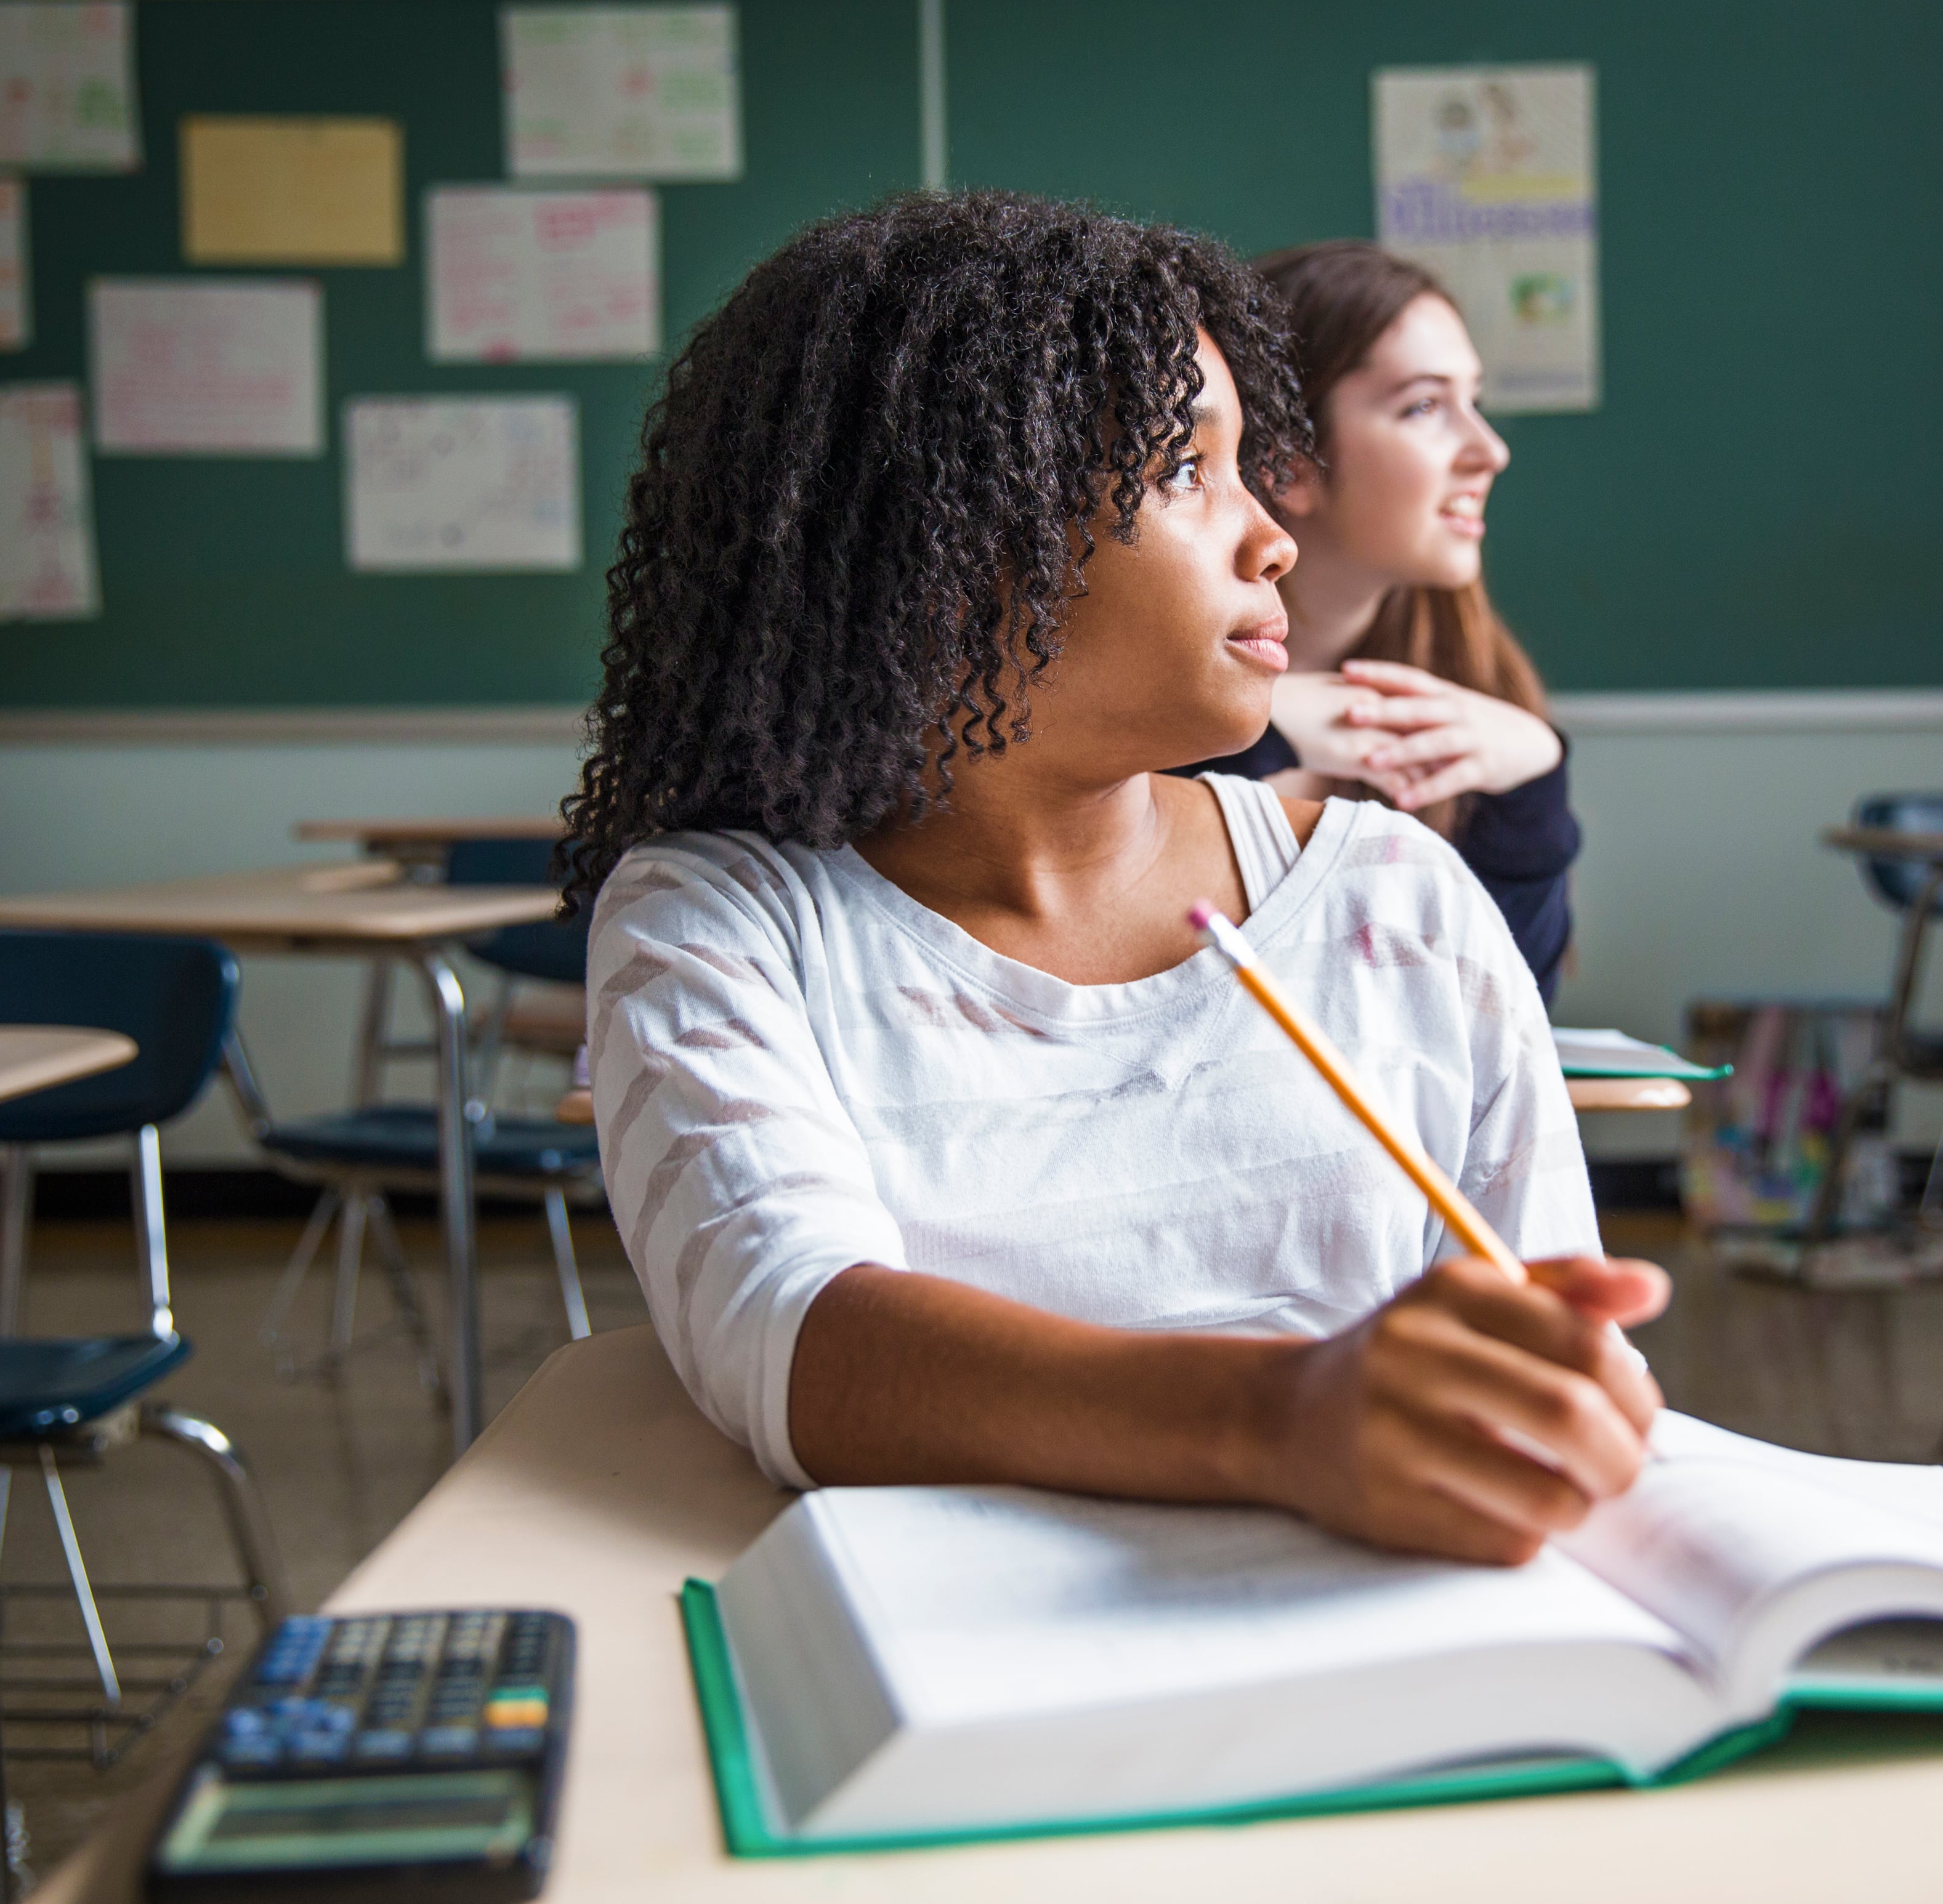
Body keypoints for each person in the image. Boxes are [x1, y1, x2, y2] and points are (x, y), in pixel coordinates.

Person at [565, 192, 1666, 1565]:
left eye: (1251, 468)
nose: (1270, 537)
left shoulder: (1395, 897)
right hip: (947, 1667)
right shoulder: (721, 925)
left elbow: (1535, 1358)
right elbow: (794, 1336)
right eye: (1185, 472)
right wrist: (1284, 1416)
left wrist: (1553, 1393)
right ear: (955, 546)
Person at [1186, 241, 1580, 1004]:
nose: (1489, 451)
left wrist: (1532, 786)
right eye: (1425, 407)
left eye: (1475, 401)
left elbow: (1501, 1022)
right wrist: (1259, 740)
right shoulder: (1141, 713)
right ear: (1288, 462)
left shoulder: (1470, 693)